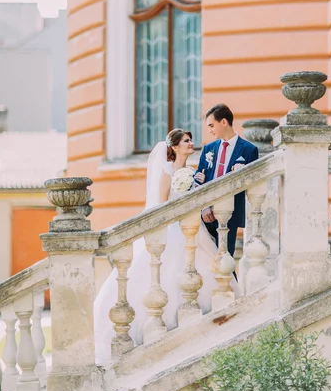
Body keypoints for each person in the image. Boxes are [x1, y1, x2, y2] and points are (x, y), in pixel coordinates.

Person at [94, 128, 239, 364]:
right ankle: (169, 319)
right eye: (186, 141)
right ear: (174, 147)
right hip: (173, 229)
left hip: (193, 228)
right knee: (170, 270)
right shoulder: (166, 172)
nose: (191, 144)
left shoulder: (192, 172)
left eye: (191, 140)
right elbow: (160, 206)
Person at [195, 104, 259, 258]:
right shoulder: (208, 149)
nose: (209, 130)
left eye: (211, 125)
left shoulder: (249, 150)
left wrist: (242, 172)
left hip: (230, 213)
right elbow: (198, 178)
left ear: (223, 122)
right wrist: (204, 208)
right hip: (206, 215)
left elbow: (252, 184)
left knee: (225, 259)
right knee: (207, 258)